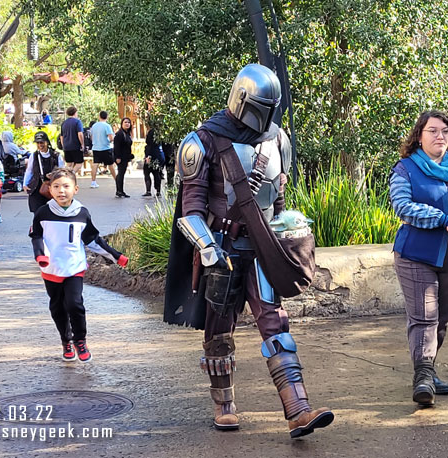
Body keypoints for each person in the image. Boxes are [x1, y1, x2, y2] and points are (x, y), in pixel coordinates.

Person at [164, 64, 334, 437]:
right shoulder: (202, 141)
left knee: (276, 324)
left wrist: (289, 229)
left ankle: (298, 409)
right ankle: (224, 404)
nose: (266, 116)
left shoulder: (278, 140)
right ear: (241, 100)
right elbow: (190, 210)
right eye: (261, 106)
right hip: (222, 248)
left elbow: (279, 198)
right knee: (219, 328)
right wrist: (207, 247)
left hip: (262, 247)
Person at [389, 110, 448, 407]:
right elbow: (403, 206)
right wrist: (444, 219)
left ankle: (427, 369)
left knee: (442, 319)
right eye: (432, 131)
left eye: (444, 131)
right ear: (419, 135)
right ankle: (423, 378)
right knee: (424, 318)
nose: (439, 136)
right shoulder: (405, 169)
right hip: (416, 253)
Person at [29, 168, 128, 362]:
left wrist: (116, 256)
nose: (61, 191)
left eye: (66, 186)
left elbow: (92, 239)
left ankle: (80, 340)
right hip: (51, 268)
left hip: (74, 267)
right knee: (57, 307)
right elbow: (37, 236)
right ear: (50, 189)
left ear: (75, 189)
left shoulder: (81, 213)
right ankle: (66, 341)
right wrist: (41, 255)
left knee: (74, 304)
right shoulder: (43, 213)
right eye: (56, 187)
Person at [23, 131, 65, 213]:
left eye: (42, 142)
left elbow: (62, 171)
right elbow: (29, 171)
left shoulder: (56, 155)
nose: (40, 145)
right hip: (36, 187)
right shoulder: (34, 156)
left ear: (47, 142)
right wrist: (25, 184)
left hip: (52, 187)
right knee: (37, 212)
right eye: (37, 143)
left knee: (53, 212)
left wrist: (54, 175)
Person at [90, 111, 117, 188]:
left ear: (99, 116)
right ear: (107, 117)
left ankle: (93, 181)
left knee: (95, 164)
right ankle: (116, 180)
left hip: (96, 147)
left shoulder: (94, 126)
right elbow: (111, 137)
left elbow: (92, 137)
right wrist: (109, 141)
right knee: (110, 164)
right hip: (106, 147)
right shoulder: (107, 126)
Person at [60, 107, 84, 175]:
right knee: (79, 163)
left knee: (69, 163)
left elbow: (61, 136)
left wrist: (63, 145)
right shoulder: (77, 122)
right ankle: (71, 175)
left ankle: (65, 175)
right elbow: (80, 134)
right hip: (76, 145)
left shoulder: (64, 123)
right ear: (75, 113)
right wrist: (82, 144)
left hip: (66, 146)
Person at [113, 117, 134, 198]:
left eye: (128, 122)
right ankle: (119, 191)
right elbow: (117, 146)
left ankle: (120, 190)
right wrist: (117, 157)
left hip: (125, 157)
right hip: (120, 157)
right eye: (125, 122)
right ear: (122, 124)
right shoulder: (120, 134)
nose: (127, 124)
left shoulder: (127, 133)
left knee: (121, 173)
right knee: (121, 174)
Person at [142, 127, 164, 197]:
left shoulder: (149, 145)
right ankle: (158, 191)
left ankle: (148, 191)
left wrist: (148, 156)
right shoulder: (159, 143)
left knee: (147, 173)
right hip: (158, 157)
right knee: (157, 174)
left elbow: (149, 147)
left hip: (150, 157)